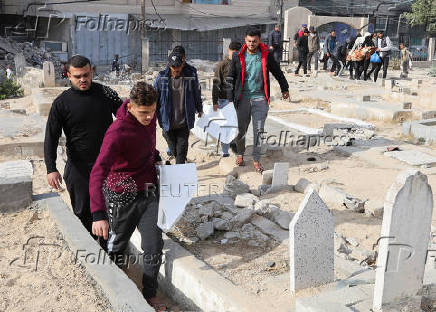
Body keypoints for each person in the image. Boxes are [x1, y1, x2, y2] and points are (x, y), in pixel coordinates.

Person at [89, 82, 165, 311]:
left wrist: (157, 156)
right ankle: (113, 288)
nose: (150, 118)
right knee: (117, 245)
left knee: (154, 245)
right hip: (122, 196)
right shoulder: (117, 132)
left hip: (150, 191)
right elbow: (97, 173)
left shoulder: (148, 118)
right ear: (130, 106)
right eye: (144, 113)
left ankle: (149, 294)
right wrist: (98, 214)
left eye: (153, 111)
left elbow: (147, 144)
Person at [44, 55, 122, 245]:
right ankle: (91, 254)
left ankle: (109, 257)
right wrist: (51, 168)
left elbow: (127, 118)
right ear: (68, 76)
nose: (83, 80)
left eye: (86, 75)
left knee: (111, 214)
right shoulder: (61, 103)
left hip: (108, 167)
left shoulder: (105, 93)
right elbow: (51, 136)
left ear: (92, 72)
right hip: (79, 169)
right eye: (77, 76)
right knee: (83, 215)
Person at [226, 27, 289, 173]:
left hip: (260, 98)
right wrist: (230, 98)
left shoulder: (266, 55)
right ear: (245, 40)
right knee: (241, 130)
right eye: (249, 41)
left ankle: (256, 159)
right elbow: (230, 77)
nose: (251, 44)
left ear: (259, 40)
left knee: (259, 131)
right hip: (242, 99)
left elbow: (277, 72)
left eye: (254, 41)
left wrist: (284, 88)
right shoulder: (238, 56)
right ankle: (240, 154)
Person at [154, 51, 203, 164]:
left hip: (183, 123)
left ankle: (179, 176)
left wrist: (199, 108)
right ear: (169, 65)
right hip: (167, 123)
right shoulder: (161, 78)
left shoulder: (189, 78)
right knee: (175, 150)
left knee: (181, 152)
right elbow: (154, 97)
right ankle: (180, 166)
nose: (176, 69)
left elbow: (196, 93)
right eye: (173, 66)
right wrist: (151, 113)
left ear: (182, 65)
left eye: (178, 66)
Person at [212, 40, 242, 157]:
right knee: (226, 126)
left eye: (237, 53)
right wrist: (215, 102)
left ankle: (234, 145)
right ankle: (225, 151)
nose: (234, 55)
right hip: (224, 100)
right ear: (228, 51)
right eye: (232, 52)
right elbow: (216, 84)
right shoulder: (222, 65)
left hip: (239, 100)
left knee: (237, 126)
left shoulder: (242, 64)